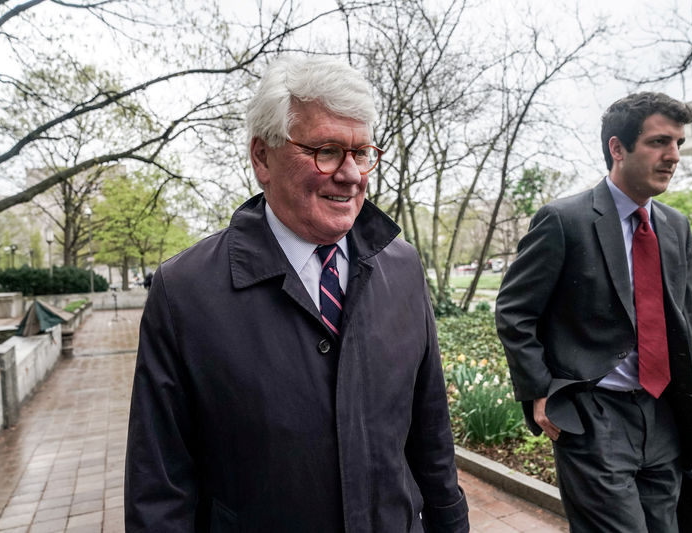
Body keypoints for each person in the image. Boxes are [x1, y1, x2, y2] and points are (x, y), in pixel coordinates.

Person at [124, 55, 469, 532]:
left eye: (362, 152)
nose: (350, 174)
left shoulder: (404, 266)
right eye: (326, 150)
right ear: (262, 158)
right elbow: (159, 487)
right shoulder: (184, 292)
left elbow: (432, 433)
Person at [495, 92, 692, 532]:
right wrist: (540, 392)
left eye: (679, 143)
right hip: (594, 415)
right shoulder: (563, 220)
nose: (673, 156)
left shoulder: (676, 226)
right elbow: (515, 311)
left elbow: (682, 319)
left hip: (662, 416)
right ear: (617, 147)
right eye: (660, 142)